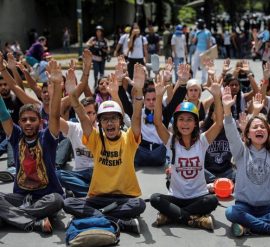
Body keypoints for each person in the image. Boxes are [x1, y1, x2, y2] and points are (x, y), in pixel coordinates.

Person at [63, 64, 147, 234]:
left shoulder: (129, 138)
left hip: (125, 198)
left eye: (114, 119)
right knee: (67, 203)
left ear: (120, 122)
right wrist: (72, 95)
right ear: (99, 123)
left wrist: (138, 91)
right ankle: (120, 221)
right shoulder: (95, 139)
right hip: (98, 198)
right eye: (105, 119)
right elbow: (82, 116)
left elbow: (137, 116)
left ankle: (94, 218)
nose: (109, 123)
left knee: (139, 204)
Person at [223, 85, 270, 238]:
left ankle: (249, 227)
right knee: (231, 212)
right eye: (255, 127)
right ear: (248, 134)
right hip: (244, 206)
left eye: (263, 127)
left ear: (268, 132)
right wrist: (227, 111)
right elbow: (231, 133)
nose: (259, 129)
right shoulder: (241, 151)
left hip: (268, 207)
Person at [150, 76, 223, 231]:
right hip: (176, 197)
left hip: (199, 196)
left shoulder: (202, 141)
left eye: (189, 120)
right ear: (176, 123)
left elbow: (219, 123)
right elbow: (157, 122)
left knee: (212, 200)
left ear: (196, 123)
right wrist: (158, 97)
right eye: (181, 119)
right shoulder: (172, 141)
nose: (185, 123)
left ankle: (172, 216)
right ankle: (194, 219)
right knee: (155, 198)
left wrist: (217, 96)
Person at [0, 59, 64, 233]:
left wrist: (57, 86)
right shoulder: (16, 135)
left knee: (57, 200)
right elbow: (3, 114)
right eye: (24, 120)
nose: (28, 123)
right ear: (19, 122)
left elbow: (55, 115)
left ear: (40, 122)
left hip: (46, 198)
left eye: (32, 119)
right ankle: (33, 222)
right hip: (21, 198)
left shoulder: (47, 137)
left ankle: (12, 217)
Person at [191, 19, 211, 83]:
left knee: (195, 65)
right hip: (205, 50)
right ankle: (203, 81)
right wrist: (209, 52)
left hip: (198, 50)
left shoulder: (198, 32)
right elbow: (208, 43)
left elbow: (193, 41)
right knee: (204, 66)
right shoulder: (207, 32)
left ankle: (192, 78)